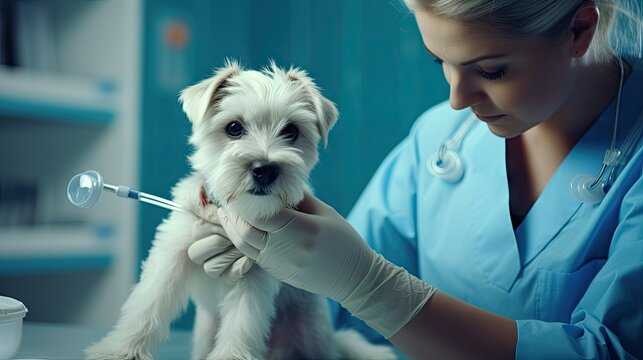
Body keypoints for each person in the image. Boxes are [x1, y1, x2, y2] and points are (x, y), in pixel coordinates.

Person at [188, 0, 643, 358]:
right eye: (439, 61)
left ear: (580, 31)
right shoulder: (440, 139)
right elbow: (330, 315)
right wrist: (256, 283)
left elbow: (615, 351)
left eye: (491, 70)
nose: (457, 100)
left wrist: (367, 284)